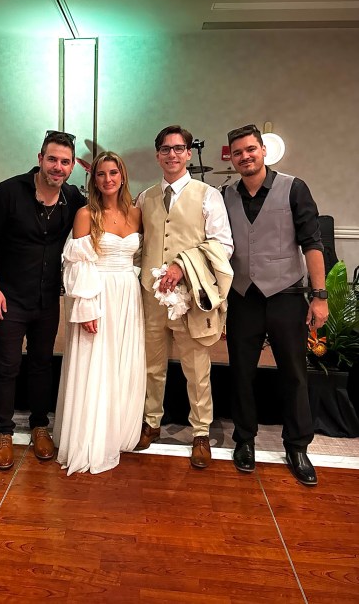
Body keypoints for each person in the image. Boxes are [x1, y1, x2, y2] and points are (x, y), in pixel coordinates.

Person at [224, 124, 327, 486]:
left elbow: (312, 243)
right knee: (241, 372)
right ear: (232, 158)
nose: (245, 157)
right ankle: (244, 439)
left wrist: (319, 296)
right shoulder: (224, 195)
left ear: (263, 150)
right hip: (242, 297)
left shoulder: (294, 188)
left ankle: (297, 446)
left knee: (294, 374)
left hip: (286, 295)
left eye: (251, 149)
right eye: (238, 152)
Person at [0, 130, 86, 470]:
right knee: (7, 366)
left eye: (65, 162)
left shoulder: (72, 198)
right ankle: (3, 432)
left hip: (47, 299)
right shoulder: (7, 193)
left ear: (72, 166)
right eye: (52, 159)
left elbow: (102, 214)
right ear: (40, 158)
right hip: (8, 297)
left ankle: (40, 425)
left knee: (42, 363)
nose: (58, 167)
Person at [135, 125, 233, 468]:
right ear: (157, 155)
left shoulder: (208, 195)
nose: (172, 155)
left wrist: (182, 264)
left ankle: (201, 432)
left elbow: (223, 245)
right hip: (151, 299)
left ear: (189, 154)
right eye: (165, 149)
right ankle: (151, 422)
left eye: (178, 148)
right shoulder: (145, 198)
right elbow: (138, 245)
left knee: (197, 368)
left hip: (191, 299)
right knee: (151, 366)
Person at [53, 151, 146, 474]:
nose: (108, 179)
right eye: (101, 174)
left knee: (122, 362)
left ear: (122, 176)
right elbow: (76, 265)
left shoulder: (137, 213)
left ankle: (117, 432)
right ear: (93, 179)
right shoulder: (85, 214)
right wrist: (86, 307)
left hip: (128, 296)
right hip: (97, 294)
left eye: (113, 172)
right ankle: (91, 437)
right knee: (95, 363)